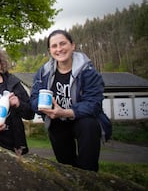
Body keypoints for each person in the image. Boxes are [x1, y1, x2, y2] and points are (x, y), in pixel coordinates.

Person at [30, 29, 109, 172]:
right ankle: (69, 173)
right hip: (57, 122)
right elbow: (34, 98)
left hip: (82, 120)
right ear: (50, 50)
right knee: (66, 166)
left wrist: (65, 112)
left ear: (72, 46)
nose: (59, 49)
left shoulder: (88, 71)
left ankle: (88, 175)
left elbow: (94, 104)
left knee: (89, 124)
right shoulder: (44, 73)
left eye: (63, 44)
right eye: (54, 46)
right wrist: (43, 107)